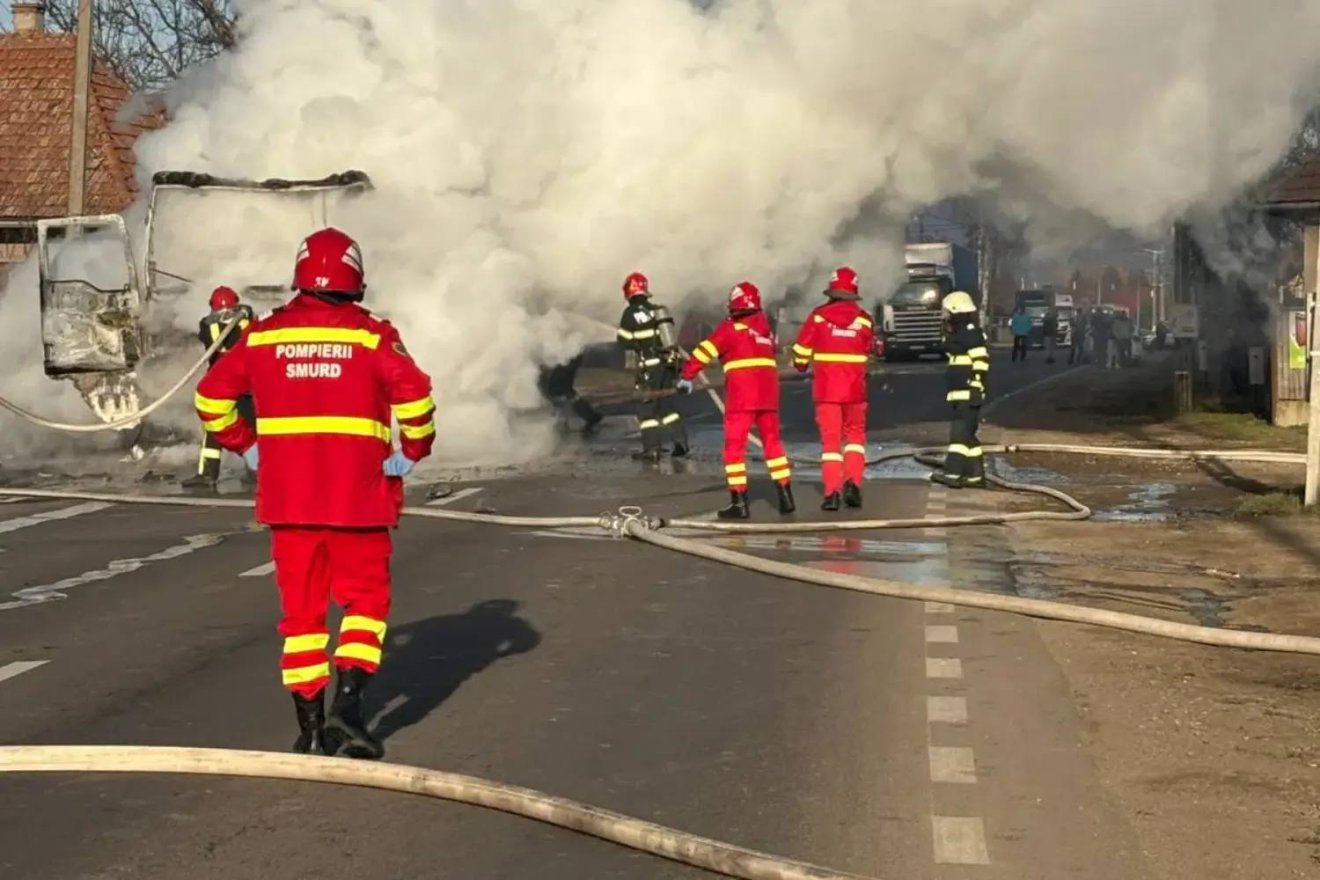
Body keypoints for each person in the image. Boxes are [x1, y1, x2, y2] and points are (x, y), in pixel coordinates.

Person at [194, 228, 436, 760]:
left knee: (301, 619)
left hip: (290, 504)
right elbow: (416, 396)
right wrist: (413, 451)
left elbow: (210, 398)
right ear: (357, 281)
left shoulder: (261, 337)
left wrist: (247, 446)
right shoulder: (373, 337)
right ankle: (348, 711)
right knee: (365, 604)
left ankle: (308, 729)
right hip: (360, 501)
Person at [676, 281, 794, 519]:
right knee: (773, 444)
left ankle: (739, 503)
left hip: (742, 396)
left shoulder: (729, 329)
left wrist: (686, 377)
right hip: (768, 395)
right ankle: (785, 497)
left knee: (734, 449)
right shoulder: (765, 332)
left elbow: (702, 353)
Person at [791, 266, 873, 511]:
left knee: (831, 444)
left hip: (827, 391)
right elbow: (870, 349)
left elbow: (801, 351)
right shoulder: (864, 319)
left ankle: (832, 493)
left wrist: (801, 366)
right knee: (855, 439)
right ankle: (854, 485)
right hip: (856, 391)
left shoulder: (818, 316)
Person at [181, 286, 256, 491]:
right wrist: (246, 311)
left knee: (214, 428)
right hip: (245, 385)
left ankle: (208, 474)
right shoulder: (246, 321)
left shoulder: (207, 327)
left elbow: (206, 332)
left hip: (220, 387)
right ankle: (256, 471)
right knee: (252, 427)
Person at [616, 272, 689, 461]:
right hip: (667, 365)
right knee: (666, 406)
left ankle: (651, 449)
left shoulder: (630, 312)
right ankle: (681, 443)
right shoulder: (657, 310)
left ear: (629, 290)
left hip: (649, 368)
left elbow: (624, 341)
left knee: (646, 408)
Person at [933, 291, 990, 490]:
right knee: (968, 436)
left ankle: (952, 473)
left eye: (947, 311)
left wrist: (975, 386)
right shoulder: (961, 334)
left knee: (958, 437)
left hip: (968, 393)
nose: (945, 315)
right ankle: (975, 475)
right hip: (960, 393)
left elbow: (981, 361)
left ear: (956, 310)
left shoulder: (971, 334)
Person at [537, 350, 603, 433]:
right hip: (560, 366)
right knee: (566, 392)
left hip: (562, 363)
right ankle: (587, 416)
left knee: (566, 392)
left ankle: (588, 416)